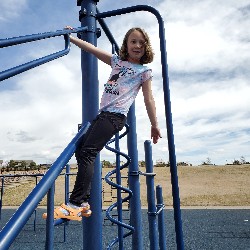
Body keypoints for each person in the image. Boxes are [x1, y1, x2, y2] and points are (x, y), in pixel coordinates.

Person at [43, 26, 161, 221]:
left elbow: (149, 99)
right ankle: (84, 202)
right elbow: (92, 49)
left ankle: (75, 203)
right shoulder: (117, 61)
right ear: (127, 44)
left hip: (114, 117)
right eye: (133, 41)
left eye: (141, 42)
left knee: (88, 152)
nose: (137, 45)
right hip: (103, 115)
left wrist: (154, 124)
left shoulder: (144, 71)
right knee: (82, 150)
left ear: (146, 47)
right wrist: (71, 38)